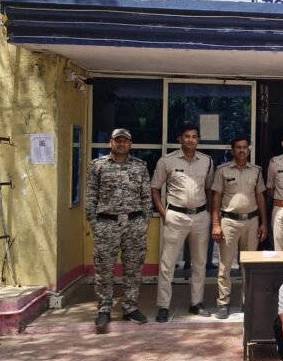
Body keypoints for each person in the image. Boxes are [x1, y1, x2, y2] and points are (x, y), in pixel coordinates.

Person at [85, 128, 151, 328]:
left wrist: (144, 222)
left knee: (133, 268)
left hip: (134, 223)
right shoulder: (98, 166)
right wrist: (94, 223)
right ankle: (104, 309)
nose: (122, 144)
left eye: (125, 141)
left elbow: (146, 197)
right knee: (104, 269)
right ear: (111, 143)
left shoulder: (140, 166)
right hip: (106, 224)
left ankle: (130, 307)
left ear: (130, 144)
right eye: (118, 140)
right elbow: (91, 195)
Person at [151, 124, 214, 322]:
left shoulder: (207, 161)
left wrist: (209, 213)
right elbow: (155, 188)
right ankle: (163, 306)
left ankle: (196, 302)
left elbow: (210, 189)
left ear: (198, 140)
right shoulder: (167, 161)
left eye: (194, 136)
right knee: (167, 263)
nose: (190, 140)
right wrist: (164, 214)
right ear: (180, 139)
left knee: (200, 263)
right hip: (176, 216)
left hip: (200, 216)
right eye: (187, 136)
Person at [210, 136, 268, 319]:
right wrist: (216, 224)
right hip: (229, 222)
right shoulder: (222, 170)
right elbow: (216, 197)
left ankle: (247, 302)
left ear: (248, 150)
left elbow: (260, 197)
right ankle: (223, 303)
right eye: (238, 147)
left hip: (251, 222)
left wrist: (264, 223)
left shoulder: (256, 171)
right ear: (232, 150)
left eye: (244, 147)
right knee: (225, 265)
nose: (242, 150)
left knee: (249, 265)